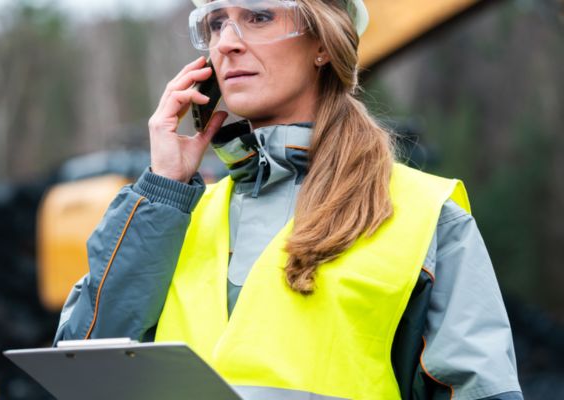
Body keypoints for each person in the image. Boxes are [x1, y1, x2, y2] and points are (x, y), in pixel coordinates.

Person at [54, 0, 523, 398]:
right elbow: (82, 366)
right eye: (216, 23)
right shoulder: (174, 213)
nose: (226, 43)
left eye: (258, 16)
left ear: (323, 43)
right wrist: (164, 185)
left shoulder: (424, 215)